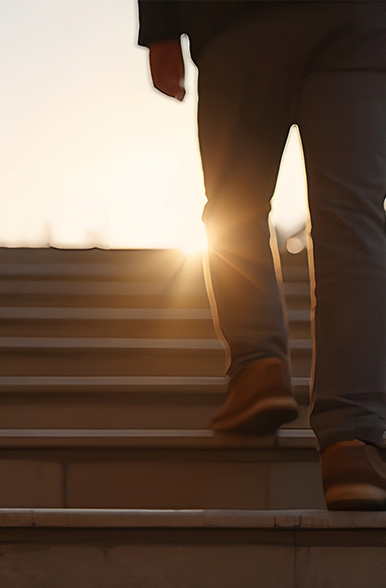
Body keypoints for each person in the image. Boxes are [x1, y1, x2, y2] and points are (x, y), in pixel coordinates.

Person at [138, 0, 386, 509]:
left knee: (235, 206)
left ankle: (257, 367)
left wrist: (160, 30)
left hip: (235, 23)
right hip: (357, 22)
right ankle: (352, 442)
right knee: (352, 221)